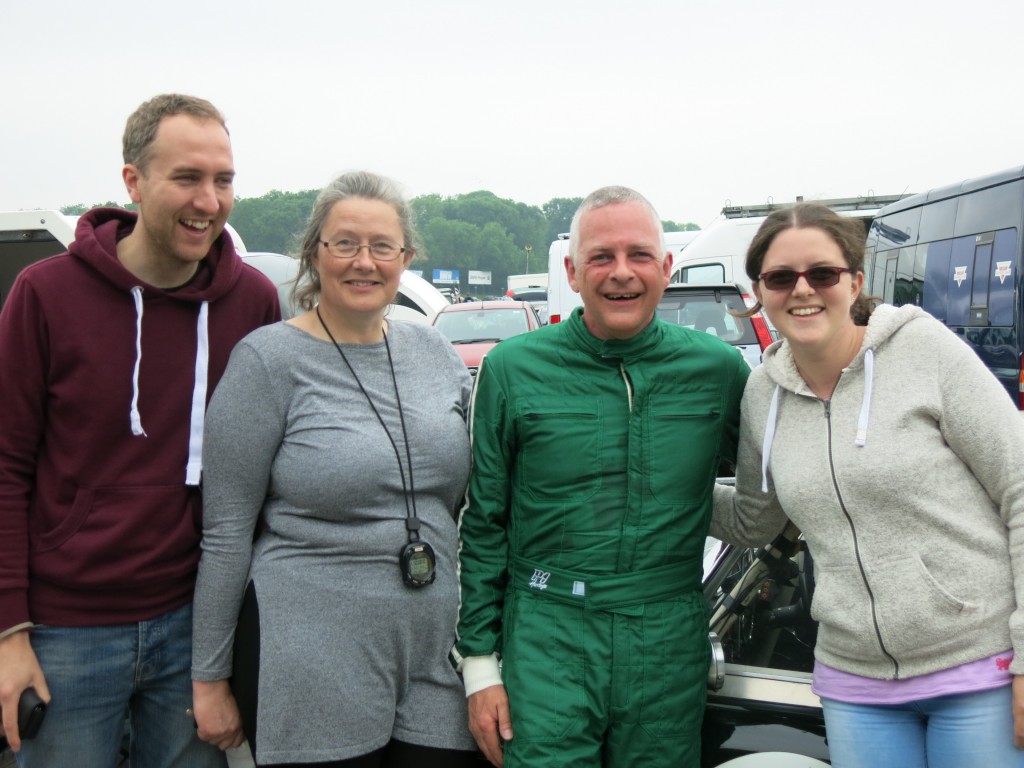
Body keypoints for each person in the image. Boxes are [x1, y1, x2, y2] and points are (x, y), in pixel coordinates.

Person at [0, 93, 281, 766]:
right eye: (187, 177)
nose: (208, 201)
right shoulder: (45, 295)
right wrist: (9, 631)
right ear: (133, 181)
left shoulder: (252, 303)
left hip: (197, 628)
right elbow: (5, 465)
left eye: (224, 180)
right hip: (66, 631)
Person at [711, 203, 1024, 768]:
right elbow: (755, 519)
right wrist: (649, 485)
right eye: (782, 277)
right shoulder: (764, 393)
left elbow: (1021, 490)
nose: (802, 289)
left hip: (979, 665)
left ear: (854, 281)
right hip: (856, 682)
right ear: (760, 290)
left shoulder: (926, 353)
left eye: (822, 274)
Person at [452, 186, 750, 768]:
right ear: (571, 270)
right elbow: (483, 521)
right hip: (548, 636)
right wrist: (480, 665)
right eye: (601, 257)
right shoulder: (513, 369)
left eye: (639, 255)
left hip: (665, 638)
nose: (621, 274)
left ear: (666, 267)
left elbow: (781, 475)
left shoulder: (717, 370)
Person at [190, 170, 480, 768]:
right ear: (314, 253)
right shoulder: (268, 361)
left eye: (382, 246)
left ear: (407, 257)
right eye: (345, 243)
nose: (363, 262)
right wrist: (209, 679)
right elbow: (224, 533)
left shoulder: (433, 352)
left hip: (434, 648)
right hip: (313, 651)